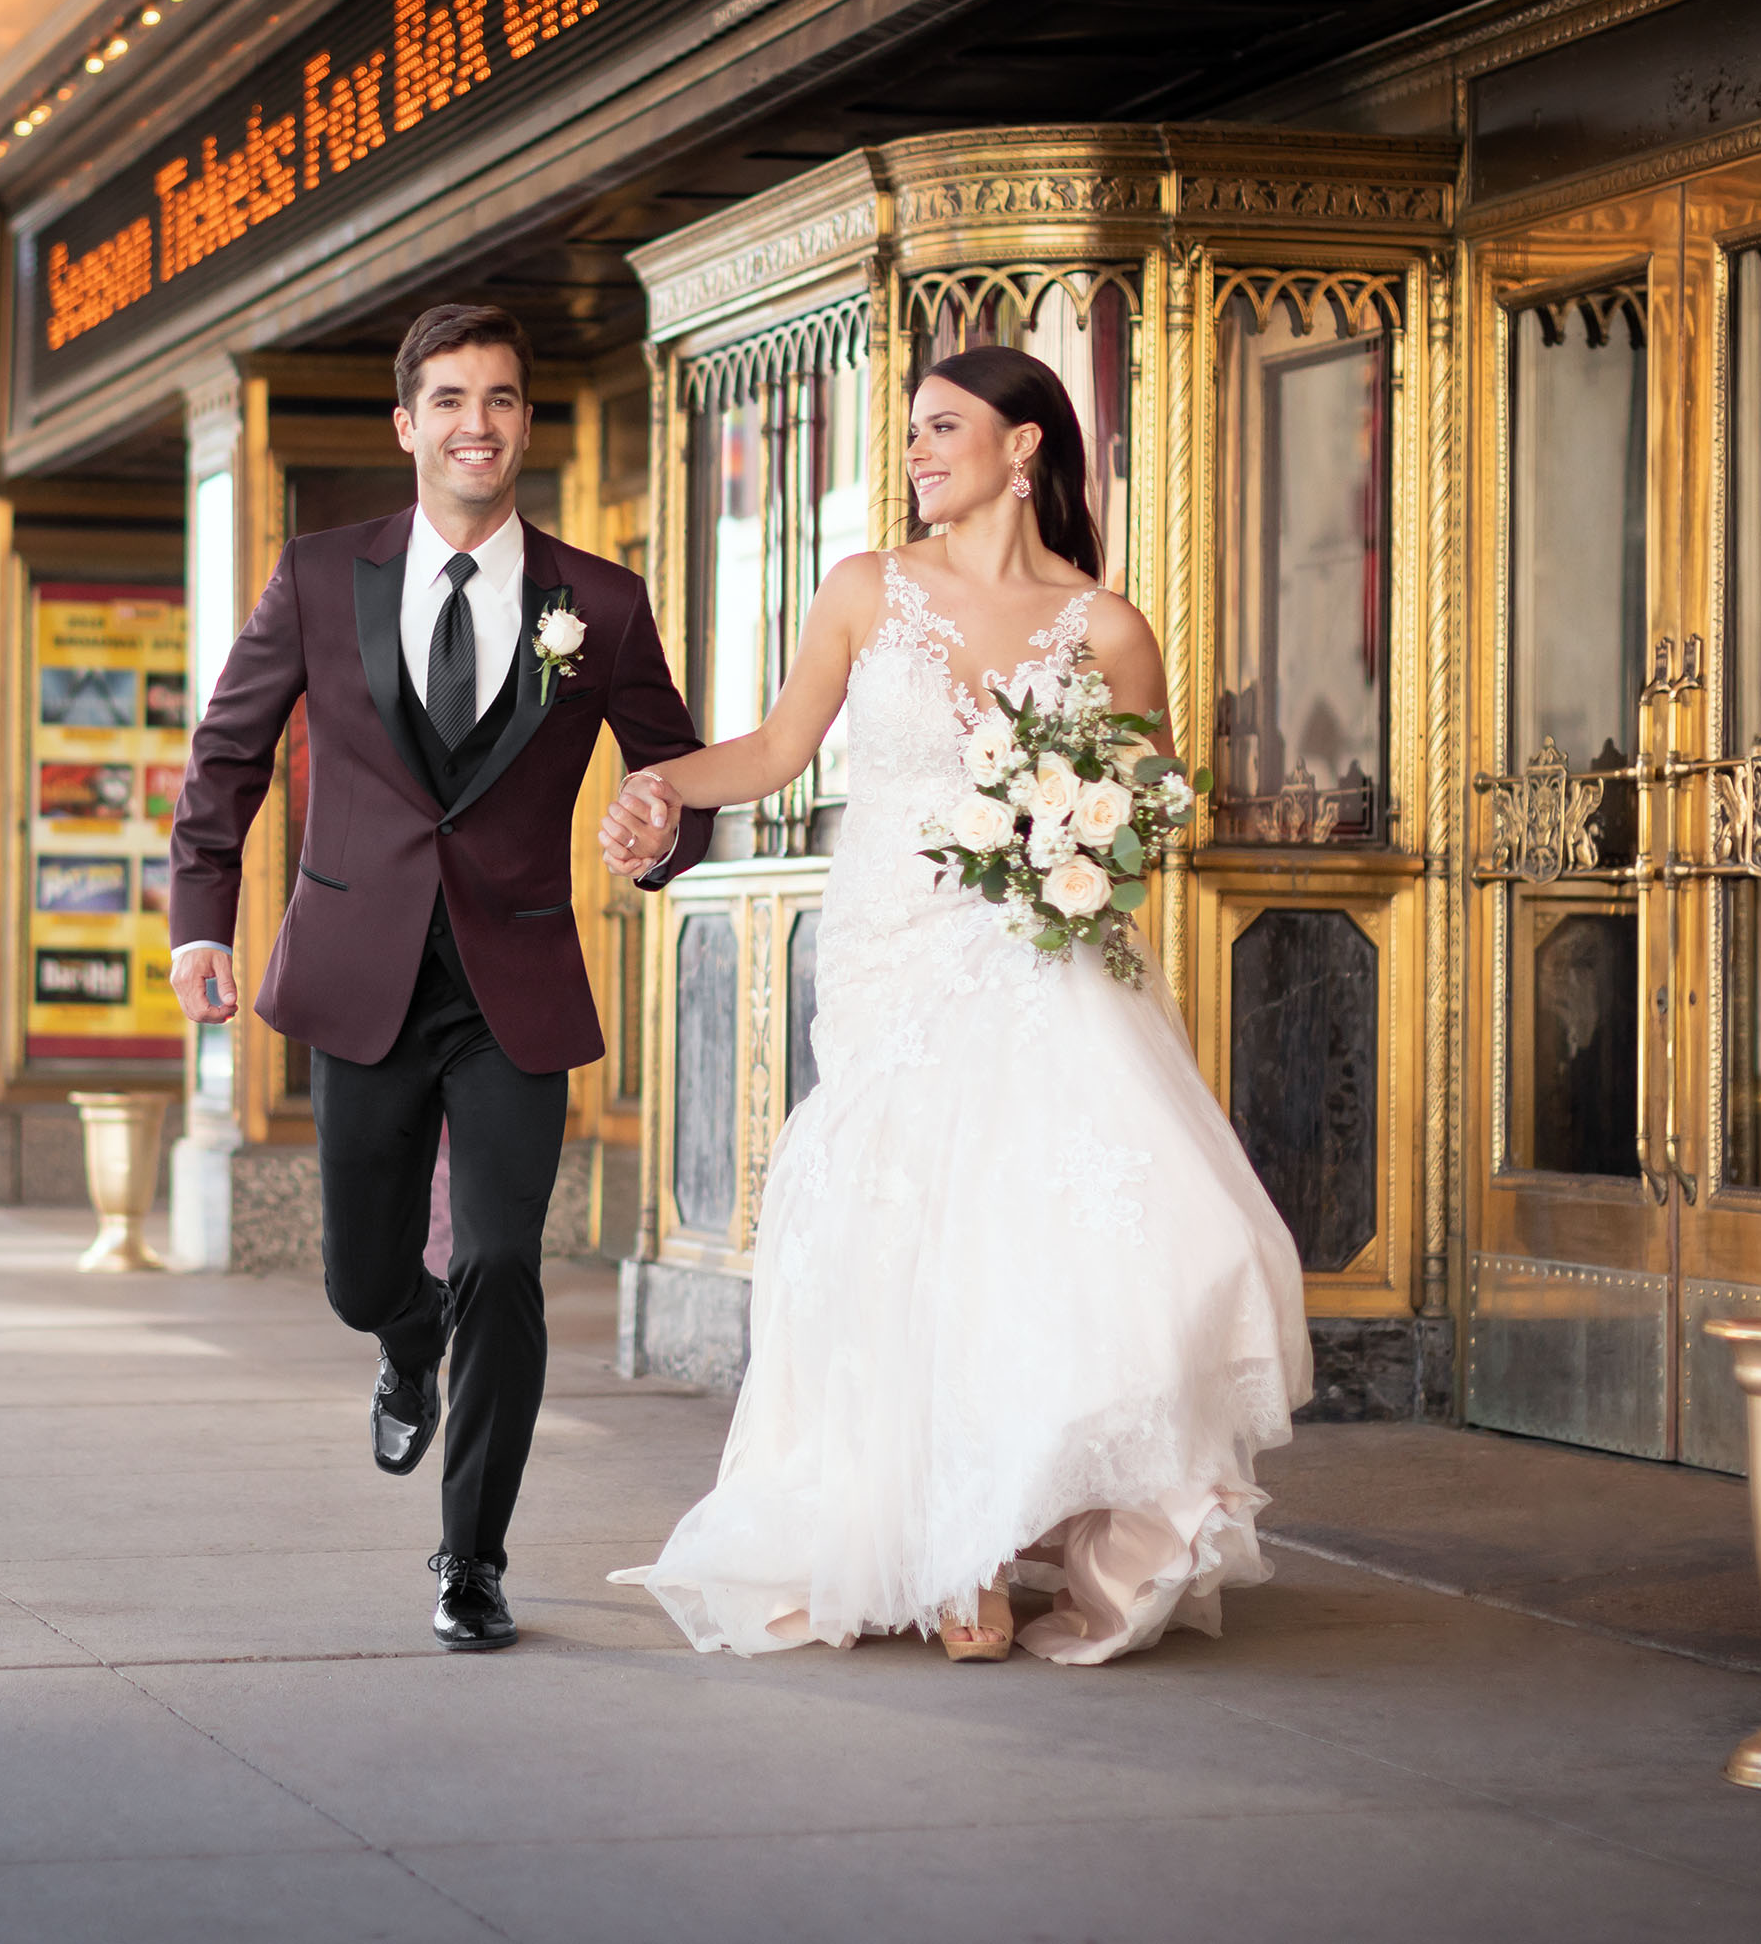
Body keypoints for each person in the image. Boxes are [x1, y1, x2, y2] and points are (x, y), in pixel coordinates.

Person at [601, 346, 1313, 1664]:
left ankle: (991, 1529)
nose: (919, 452)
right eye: (915, 432)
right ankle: (941, 1551)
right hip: (892, 958)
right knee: (903, 1230)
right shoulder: (867, 591)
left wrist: (1074, 840)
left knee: (1083, 1232)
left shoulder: (1107, 628)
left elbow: (1143, 818)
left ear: (1025, 444)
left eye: (944, 428)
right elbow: (772, 750)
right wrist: (659, 791)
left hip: (1044, 950)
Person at [166, 304, 713, 1652]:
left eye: (503, 400)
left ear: (527, 424)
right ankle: (401, 1345)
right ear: (406, 424)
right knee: (365, 1275)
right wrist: (201, 918)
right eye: (451, 399)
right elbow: (228, 756)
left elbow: (675, 774)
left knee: (503, 1264)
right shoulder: (317, 574)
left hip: (512, 976)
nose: (479, 423)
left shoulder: (599, 601)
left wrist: (659, 843)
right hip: (359, 973)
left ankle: (472, 1559)